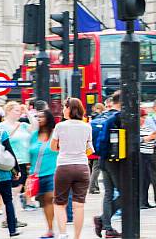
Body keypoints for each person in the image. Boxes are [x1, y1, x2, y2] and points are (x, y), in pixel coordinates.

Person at [51, 98, 93, 239]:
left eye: (64, 107)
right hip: (82, 167)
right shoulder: (87, 126)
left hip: (64, 167)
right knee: (79, 205)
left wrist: (63, 147)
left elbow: (53, 147)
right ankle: (77, 237)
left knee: (59, 203)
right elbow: (90, 150)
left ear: (70, 109)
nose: (63, 109)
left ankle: (63, 234)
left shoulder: (60, 126)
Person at [0, 101, 38, 211]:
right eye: (16, 110)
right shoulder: (1, 126)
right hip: (10, 162)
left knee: (16, 189)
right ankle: (9, 215)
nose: (19, 113)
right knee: (14, 190)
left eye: (20, 111)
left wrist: (27, 112)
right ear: (8, 111)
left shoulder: (23, 125)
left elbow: (36, 127)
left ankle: (11, 215)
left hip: (24, 162)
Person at [93, 92, 123, 238]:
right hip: (114, 162)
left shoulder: (104, 117)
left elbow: (99, 143)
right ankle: (104, 221)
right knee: (126, 194)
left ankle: (107, 227)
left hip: (104, 160)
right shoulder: (116, 118)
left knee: (109, 193)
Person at [28, 110, 58, 238]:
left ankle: (53, 229)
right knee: (44, 203)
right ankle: (50, 228)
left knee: (50, 199)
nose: (39, 119)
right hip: (37, 175)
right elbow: (30, 155)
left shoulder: (55, 134)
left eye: (42, 117)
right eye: (38, 117)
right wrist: (29, 174)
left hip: (53, 172)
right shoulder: (34, 135)